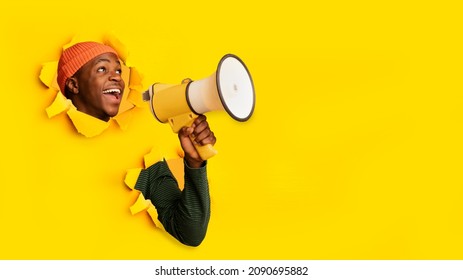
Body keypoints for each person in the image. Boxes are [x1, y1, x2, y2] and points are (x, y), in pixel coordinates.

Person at [57, 41, 216, 246]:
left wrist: (195, 164)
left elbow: (190, 232)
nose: (117, 76)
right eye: (102, 69)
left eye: (118, 70)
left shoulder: (143, 161)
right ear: (74, 85)